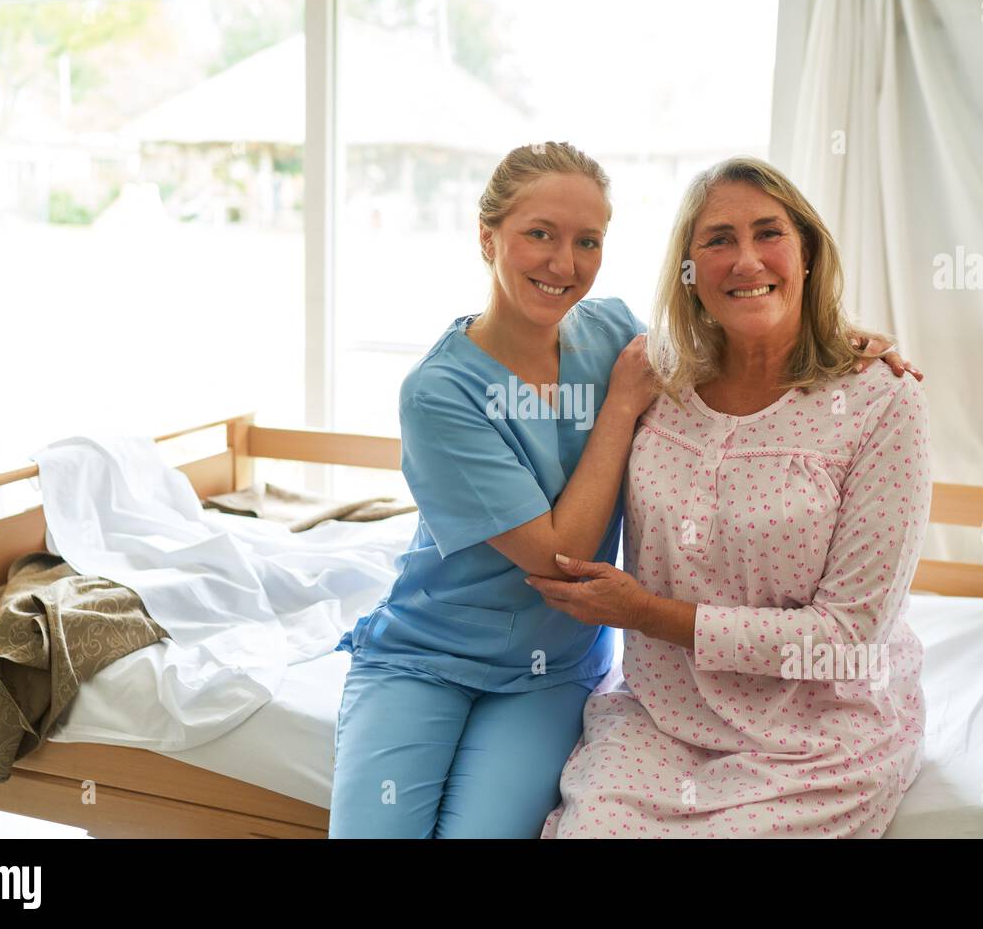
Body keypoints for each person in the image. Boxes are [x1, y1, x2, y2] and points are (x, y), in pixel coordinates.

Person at [329, 143, 917, 838]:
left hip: (548, 670)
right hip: (427, 655)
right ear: (487, 236)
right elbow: (559, 562)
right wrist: (616, 408)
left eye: (588, 241)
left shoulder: (613, 334)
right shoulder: (442, 392)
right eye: (539, 234)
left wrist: (841, 335)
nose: (563, 262)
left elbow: (746, 320)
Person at [531, 156, 931, 838]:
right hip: (662, 718)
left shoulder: (882, 404)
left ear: (807, 252)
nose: (746, 260)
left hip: (817, 740)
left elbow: (844, 637)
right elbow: (521, 344)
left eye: (769, 232)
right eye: (717, 240)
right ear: (688, 272)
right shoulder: (653, 378)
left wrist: (648, 613)